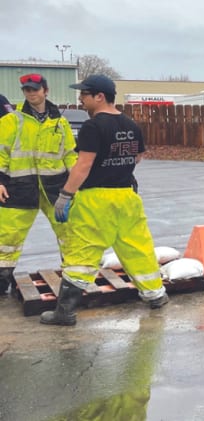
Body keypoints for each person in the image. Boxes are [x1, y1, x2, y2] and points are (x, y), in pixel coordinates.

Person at [41, 74, 167, 326]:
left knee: (83, 251)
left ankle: (65, 312)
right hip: (127, 197)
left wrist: (65, 195)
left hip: (96, 199)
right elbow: (138, 157)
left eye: (84, 94)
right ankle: (155, 296)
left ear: (99, 96)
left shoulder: (93, 126)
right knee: (137, 247)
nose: (80, 98)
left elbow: (83, 165)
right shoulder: (131, 124)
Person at [0, 75, 77, 295]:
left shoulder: (60, 123)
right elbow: (1, 153)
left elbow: (70, 155)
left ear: (46, 90)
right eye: (27, 90)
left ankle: (75, 278)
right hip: (19, 188)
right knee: (7, 237)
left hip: (55, 190)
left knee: (69, 233)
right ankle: (1, 281)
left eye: (35, 89)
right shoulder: (11, 121)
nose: (31, 93)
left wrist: (77, 182)